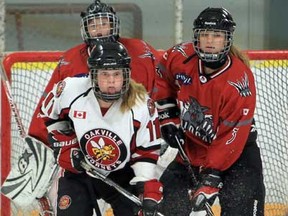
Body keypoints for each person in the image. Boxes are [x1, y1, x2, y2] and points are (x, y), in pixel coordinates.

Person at [154, 7, 265, 216]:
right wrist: (168, 116)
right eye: (204, 34)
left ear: (227, 39)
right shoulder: (179, 56)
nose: (210, 41)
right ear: (196, 37)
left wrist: (212, 175)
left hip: (237, 154)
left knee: (239, 207)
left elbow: (232, 134)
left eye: (217, 35)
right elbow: (161, 76)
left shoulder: (239, 81)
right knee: (166, 204)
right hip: (193, 150)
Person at [40, 42, 163, 216]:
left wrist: (145, 188)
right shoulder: (70, 90)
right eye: (104, 74)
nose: (111, 81)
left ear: (126, 75)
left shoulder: (141, 105)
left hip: (122, 175)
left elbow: (146, 153)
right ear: (93, 75)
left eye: (117, 74)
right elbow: (50, 118)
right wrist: (66, 147)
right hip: (80, 172)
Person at [28, 0, 160, 145]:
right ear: (85, 30)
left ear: (113, 25)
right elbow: (50, 107)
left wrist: (163, 125)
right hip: (89, 138)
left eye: (104, 24)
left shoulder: (141, 51)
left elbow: (164, 85)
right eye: (92, 26)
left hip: (136, 133)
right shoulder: (70, 61)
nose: (99, 30)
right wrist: (50, 142)